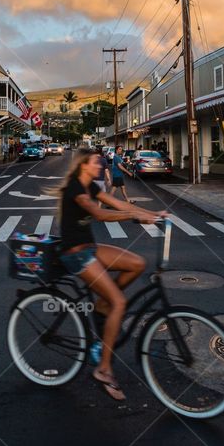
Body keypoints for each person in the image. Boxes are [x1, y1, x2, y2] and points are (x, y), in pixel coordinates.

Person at [56, 148, 167, 401]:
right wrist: (132, 215)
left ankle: (104, 302)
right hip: (76, 254)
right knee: (120, 302)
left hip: (91, 249)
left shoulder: (91, 187)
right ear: (84, 165)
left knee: (137, 263)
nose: (101, 165)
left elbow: (117, 203)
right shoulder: (75, 187)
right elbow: (98, 214)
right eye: (97, 162)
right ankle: (104, 370)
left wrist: (153, 215)